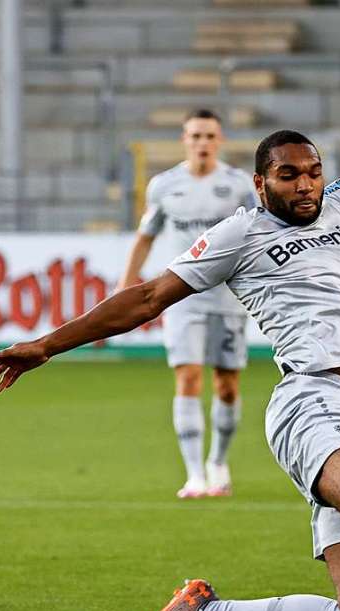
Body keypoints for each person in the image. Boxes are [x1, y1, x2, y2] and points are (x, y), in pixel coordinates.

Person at [0, 18, 340, 611]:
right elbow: (146, 297)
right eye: (288, 175)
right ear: (260, 183)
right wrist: (47, 344)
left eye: (312, 172)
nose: (304, 184)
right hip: (312, 399)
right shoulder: (237, 234)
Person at [117, 109, 257, 498]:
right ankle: (194, 473)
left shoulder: (239, 185)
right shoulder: (164, 186)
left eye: (209, 136)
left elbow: (258, 234)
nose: (202, 143)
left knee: (227, 384)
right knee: (188, 377)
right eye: (195, 136)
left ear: (220, 140)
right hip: (181, 297)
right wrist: (125, 284)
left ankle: (218, 460)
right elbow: (146, 236)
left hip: (229, 297)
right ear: (184, 140)